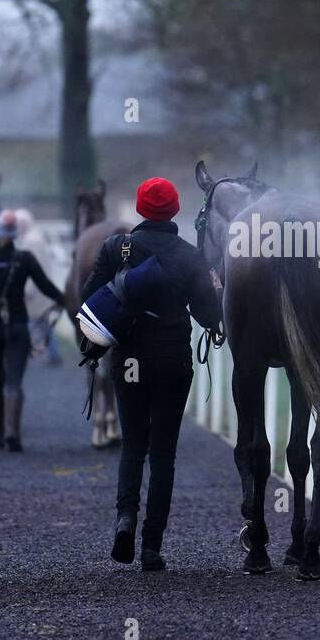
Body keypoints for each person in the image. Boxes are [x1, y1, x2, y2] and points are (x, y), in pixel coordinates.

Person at [81, 177, 221, 571]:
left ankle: (125, 517)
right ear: (175, 210)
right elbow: (210, 316)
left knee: (133, 445)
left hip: (127, 361)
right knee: (163, 454)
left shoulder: (116, 247)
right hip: (173, 361)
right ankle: (152, 546)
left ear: (141, 210)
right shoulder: (189, 255)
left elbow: (88, 299)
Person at [0, 208, 68, 453]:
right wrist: (64, 300)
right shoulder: (25, 258)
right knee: (14, 382)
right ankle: (13, 434)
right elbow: (46, 287)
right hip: (18, 327)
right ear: (16, 233)